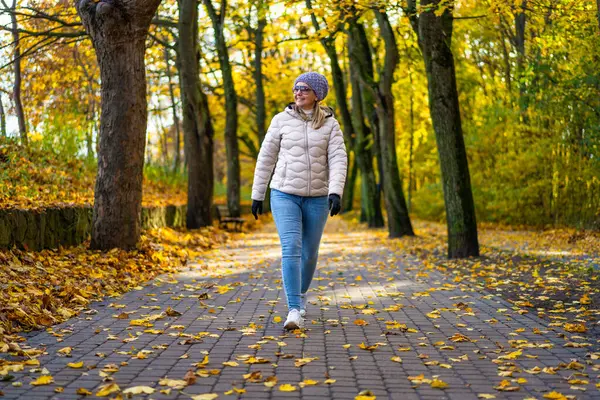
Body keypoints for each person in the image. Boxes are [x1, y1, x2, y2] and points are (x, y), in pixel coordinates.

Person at [251, 72, 348, 330]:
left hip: (317, 197)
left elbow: (338, 159)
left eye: (304, 89)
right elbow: (266, 158)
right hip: (284, 193)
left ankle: (301, 296)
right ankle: (294, 309)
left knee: (309, 253)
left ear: (317, 94)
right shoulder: (280, 120)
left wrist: (335, 192)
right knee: (291, 248)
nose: (298, 92)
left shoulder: (330, 124)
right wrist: (257, 194)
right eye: (296, 88)